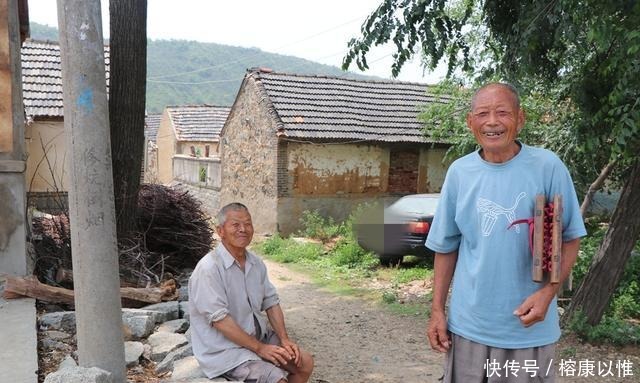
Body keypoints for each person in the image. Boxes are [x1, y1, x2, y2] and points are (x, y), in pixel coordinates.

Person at [425, 82, 587, 382]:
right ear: (470, 121)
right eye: (483, 113)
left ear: (520, 118)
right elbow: (446, 246)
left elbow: (570, 238)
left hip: (529, 330)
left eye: (503, 113)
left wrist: (549, 293)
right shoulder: (460, 173)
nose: (492, 122)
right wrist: (437, 310)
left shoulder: (547, 167)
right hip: (469, 327)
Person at [189, 202, 314, 383]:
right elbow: (220, 321)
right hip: (226, 351)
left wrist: (284, 339)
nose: (243, 229)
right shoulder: (209, 269)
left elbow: (271, 302)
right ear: (220, 230)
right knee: (276, 379)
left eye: (248, 224)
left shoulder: (256, 263)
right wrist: (260, 348)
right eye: (235, 225)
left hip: (258, 339)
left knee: (305, 363)